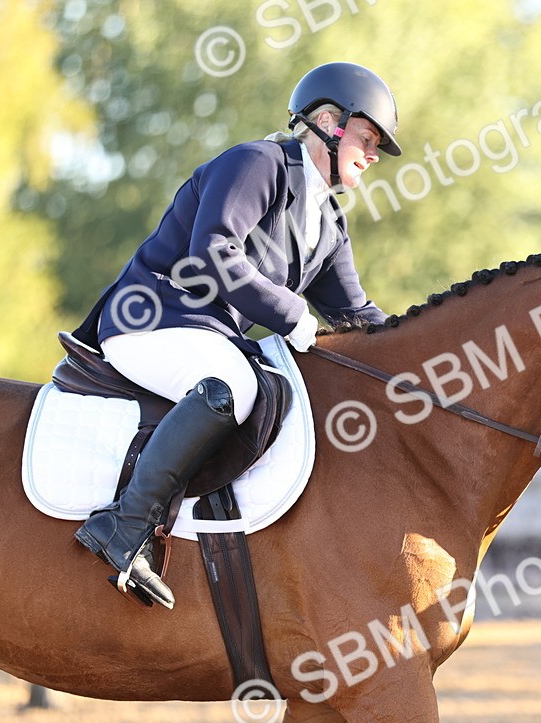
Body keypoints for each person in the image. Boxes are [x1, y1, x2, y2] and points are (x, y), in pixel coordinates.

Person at [70, 62, 400, 609]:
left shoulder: (329, 224)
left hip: (206, 335)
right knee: (235, 385)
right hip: (151, 319)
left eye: (376, 147)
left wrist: (417, 354)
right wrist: (291, 314)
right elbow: (214, 251)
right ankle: (125, 526)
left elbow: (355, 313)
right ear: (327, 123)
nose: (372, 155)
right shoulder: (257, 163)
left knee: (260, 380)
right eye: (367, 139)